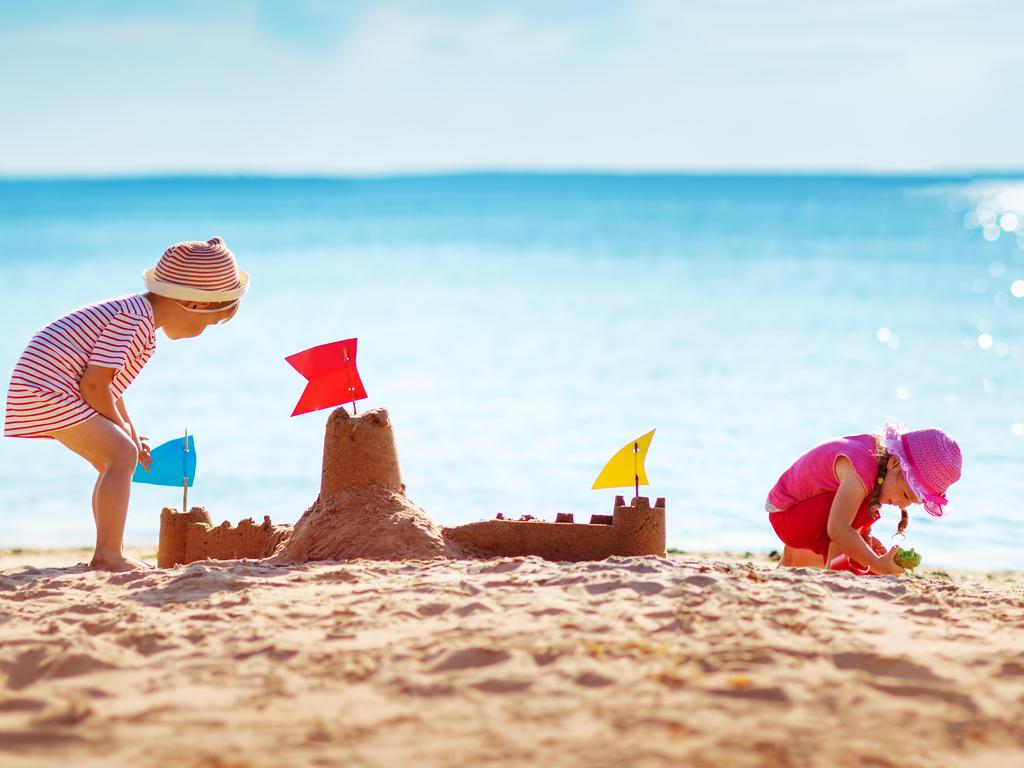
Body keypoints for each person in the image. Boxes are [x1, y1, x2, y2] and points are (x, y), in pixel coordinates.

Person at [3, 236, 249, 571]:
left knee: (116, 458)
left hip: (51, 387)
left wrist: (129, 430)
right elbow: (94, 384)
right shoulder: (134, 322)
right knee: (120, 455)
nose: (201, 331)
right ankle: (108, 555)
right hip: (48, 389)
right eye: (206, 323)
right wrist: (123, 435)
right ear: (195, 304)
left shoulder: (137, 316)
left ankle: (109, 550)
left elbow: (111, 387)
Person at [766, 422, 961, 575]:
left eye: (912, 502)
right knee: (858, 517)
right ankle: (835, 570)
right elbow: (838, 528)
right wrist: (876, 564)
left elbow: (841, 509)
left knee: (860, 540)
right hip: (788, 515)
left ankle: (836, 566)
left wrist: (864, 540)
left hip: (801, 512)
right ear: (894, 463)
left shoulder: (876, 464)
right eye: (906, 495)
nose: (903, 504)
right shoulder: (861, 470)